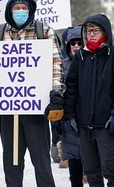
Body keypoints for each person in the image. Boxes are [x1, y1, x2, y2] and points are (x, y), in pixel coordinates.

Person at [0, 0, 64, 187]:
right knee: (11, 163)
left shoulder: (44, 30)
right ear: (9, 10)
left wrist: (56, 94)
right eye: (16, 8)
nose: (20, 11)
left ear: (30, 10)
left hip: (36, 109)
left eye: (24, 8)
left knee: (42, 162)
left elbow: (56, 65)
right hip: (8, 109)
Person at [64, 13, 114, 186]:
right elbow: (71, 87)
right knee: (92, 172)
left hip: (106, 126)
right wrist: (70, 116)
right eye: (88, 31)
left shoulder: (112, 55)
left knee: (111, 170)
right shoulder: (81, 57)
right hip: (84, 126)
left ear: (105, 33)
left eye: (95, 30)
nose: (90, 34)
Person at [61, 25, 86, 187]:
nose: (76, 46)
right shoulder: (61, 65)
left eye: (79, 42)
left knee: (92, 163)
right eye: (72, 43)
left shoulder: (90, 61)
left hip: (88, 118)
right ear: (68, 45)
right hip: (70, 120)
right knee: (75, 162)